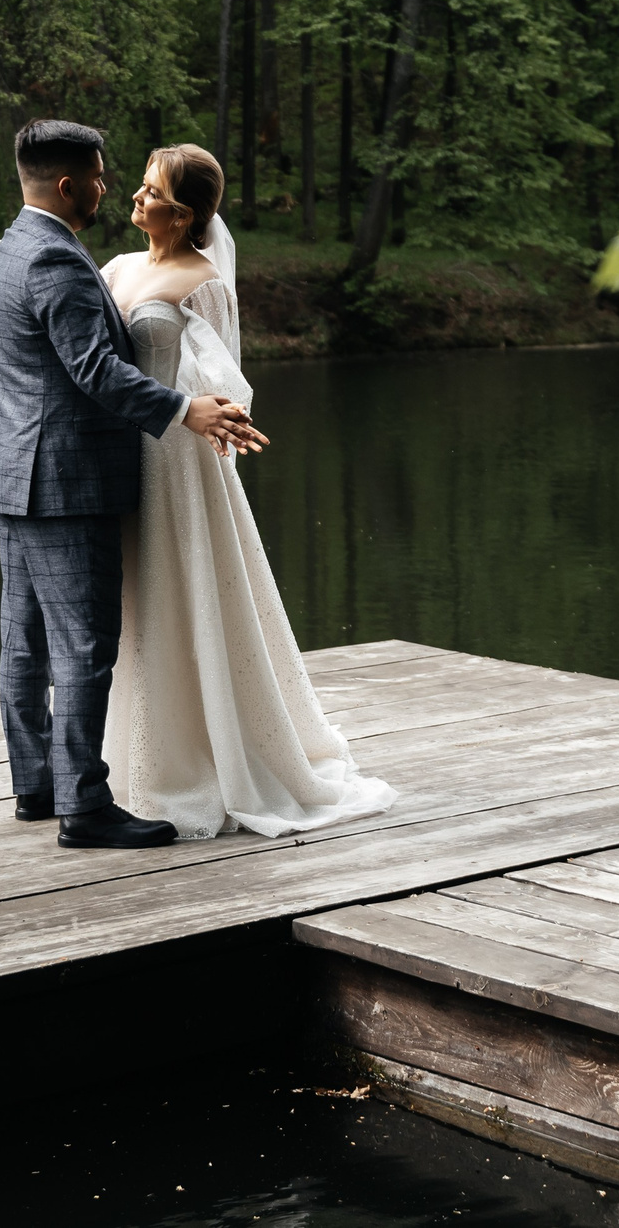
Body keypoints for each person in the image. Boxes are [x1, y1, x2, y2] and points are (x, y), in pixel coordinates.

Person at [0, 119, 267, 849]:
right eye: (105, 178)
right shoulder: (58, 260)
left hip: (16, 473)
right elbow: (97, 372)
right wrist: (184, 407)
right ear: (70, 184)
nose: (113, 190)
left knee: (25, 644)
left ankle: (36, 786)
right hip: (67, 479)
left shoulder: (16, 245)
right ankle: (84, 804)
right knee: (84, 646)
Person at [100, 144, 397, 839]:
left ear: (184, 213)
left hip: (176, 460)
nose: (136, 200)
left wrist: (216, 411)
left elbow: (219, 376)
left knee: (184, 595)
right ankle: (122, 755)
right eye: (141, 188)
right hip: (123, 453)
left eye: (151, 193)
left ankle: (202, 758)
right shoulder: (116, 267)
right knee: (132, 604)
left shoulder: (204, 280)